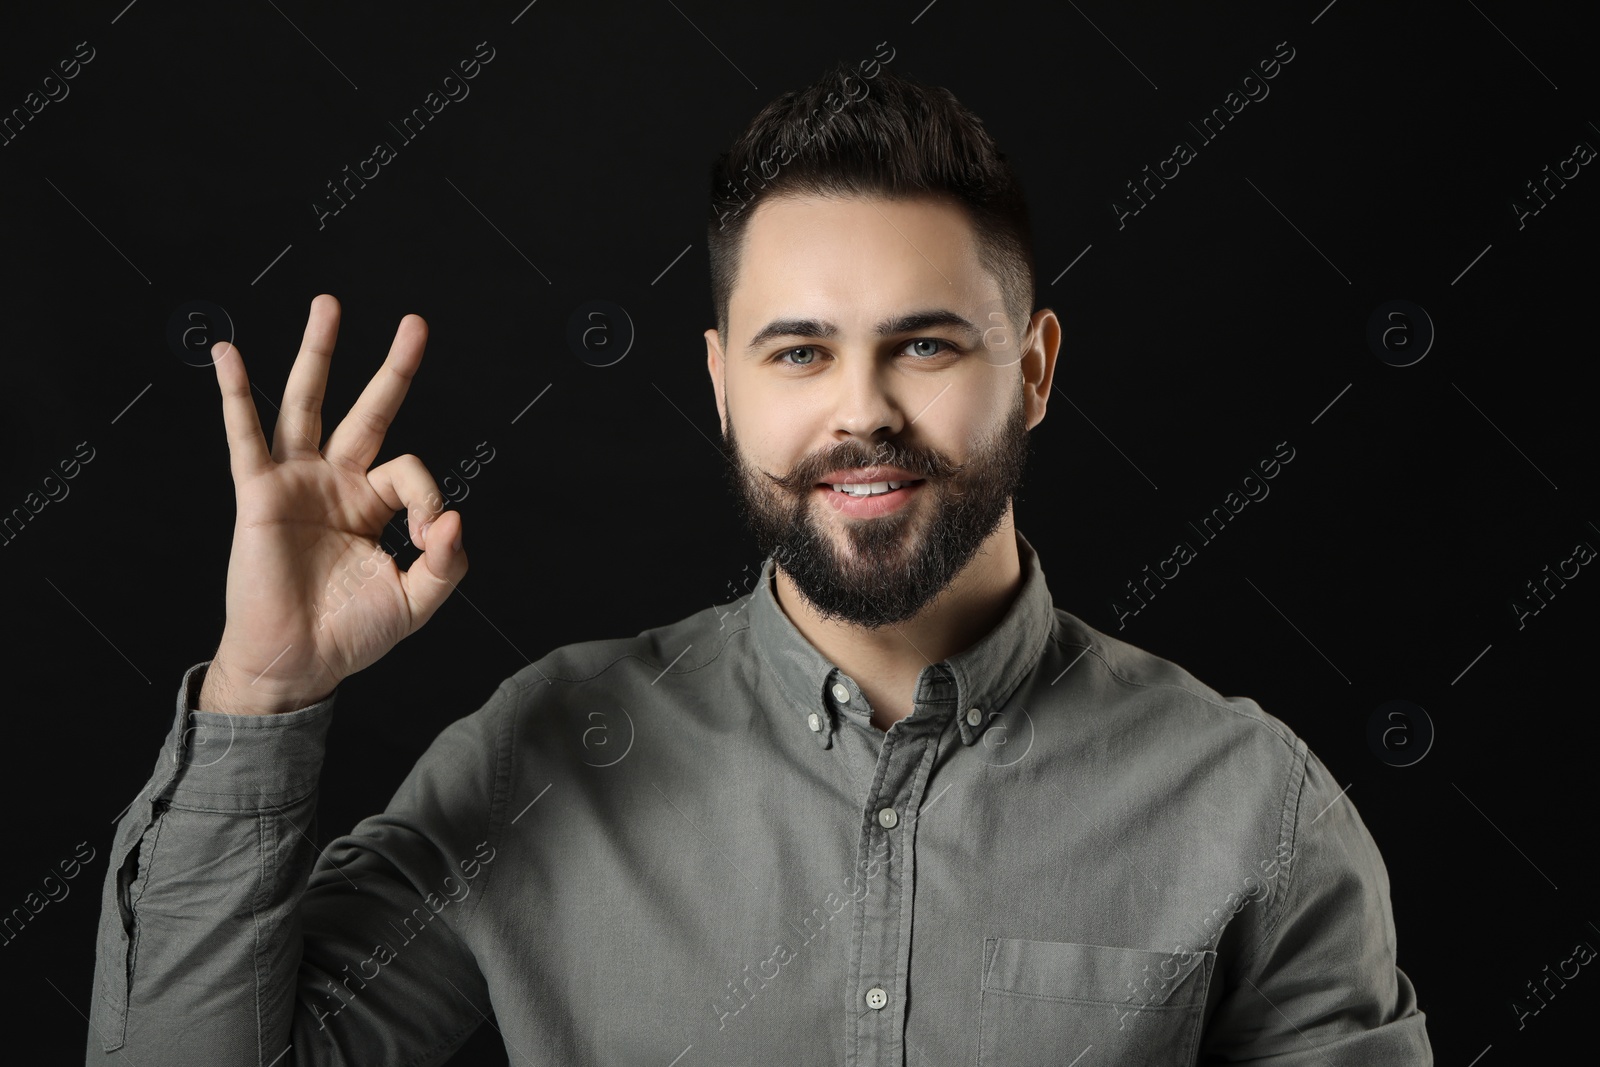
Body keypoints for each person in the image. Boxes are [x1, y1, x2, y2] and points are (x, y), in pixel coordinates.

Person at [86, 60, 1432, 1064]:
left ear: (1031, 372)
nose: (862, 411)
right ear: (725, 387)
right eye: (801, 351)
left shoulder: (1253, 809)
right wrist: (261, 691)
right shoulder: (544, 756)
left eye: (927, 343)